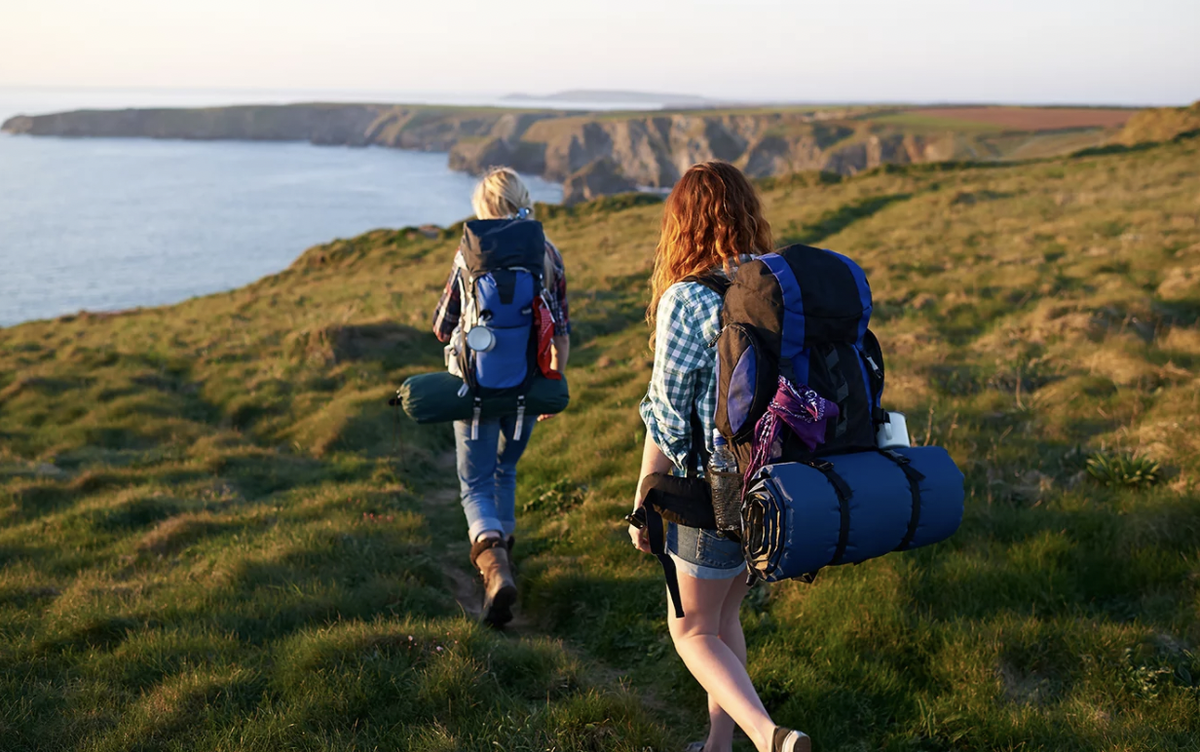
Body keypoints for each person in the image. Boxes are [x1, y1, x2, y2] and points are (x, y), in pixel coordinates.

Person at [630, 161, 811, 752]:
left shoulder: (688, 298)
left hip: (712, 493)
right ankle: (717, 745)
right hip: (779, 483)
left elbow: (666, 411)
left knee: (689, 631)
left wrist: (645, 498)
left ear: (682, 223)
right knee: (722, 617)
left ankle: (769, 738)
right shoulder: (775, 287)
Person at [433, 167, 570, 627]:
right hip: (527, 389)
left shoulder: (468, 254)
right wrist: (552, 381)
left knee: (474, 483)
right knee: (505, 467)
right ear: (522, 200)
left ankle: (493, 567)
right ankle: (504, 558)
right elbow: (562, 331)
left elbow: (442, 326)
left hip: (473, 389)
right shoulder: (546, 253)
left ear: (482, 208)